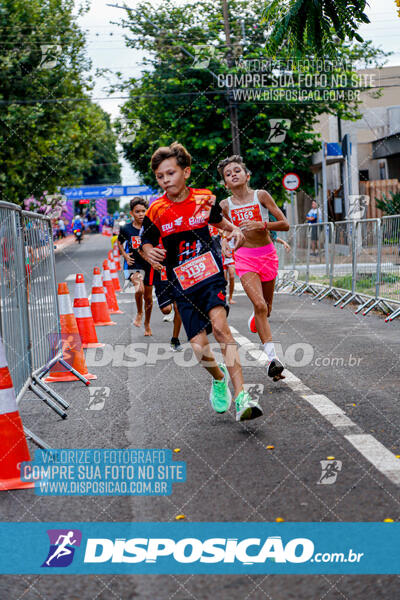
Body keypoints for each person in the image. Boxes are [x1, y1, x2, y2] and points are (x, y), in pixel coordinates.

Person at [140, 141, 263, 421]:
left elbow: (225, 224)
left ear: (186, 172)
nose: (165, 180)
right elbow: (144, 242)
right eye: (160, 176)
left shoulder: (205, 199)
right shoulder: (156, 210)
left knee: (221, 330)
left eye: (170, 173)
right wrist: (149, 252)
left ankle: (243, 396)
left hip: (209, 276)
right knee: (198, 346)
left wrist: (236, 233)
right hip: (181, 284)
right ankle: (218, 378)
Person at [217, 155, 289, 382]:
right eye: (228, 174)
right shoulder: (224, 205)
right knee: (258, 304)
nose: (233, 175)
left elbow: (285, 224)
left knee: (266, 308)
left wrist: (263, 224)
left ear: (247, 175)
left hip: (267, 254)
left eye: (237, 170)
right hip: (245, 257)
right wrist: (226, 247)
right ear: (225, 184)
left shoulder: (261, 196)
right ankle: (273, 360)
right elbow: (224, 231)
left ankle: (257, 319)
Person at [117, 198, 153, 336]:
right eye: (137, 211)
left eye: (143, 211)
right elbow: (119, 242)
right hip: (133, 264)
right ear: (132, 213)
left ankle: (147, 324)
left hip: (149, 264)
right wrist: (125, 255)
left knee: (148, 298)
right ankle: (139, 312)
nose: (141, 214)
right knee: (139, 289)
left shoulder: (150, 227)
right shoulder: (126, 228)